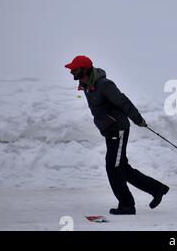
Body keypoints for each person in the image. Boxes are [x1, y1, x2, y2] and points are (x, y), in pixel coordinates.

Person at [65, 55, 169, 215]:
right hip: (110, 130)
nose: (71, 71)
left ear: (85, 69)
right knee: (121, 167)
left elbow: (122, 101)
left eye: (74, 69)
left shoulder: (104, 85)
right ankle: (157, 189)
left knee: (113, 166)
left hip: (118, 129)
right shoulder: (87, 85)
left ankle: (127, 204)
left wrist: (138, 119)